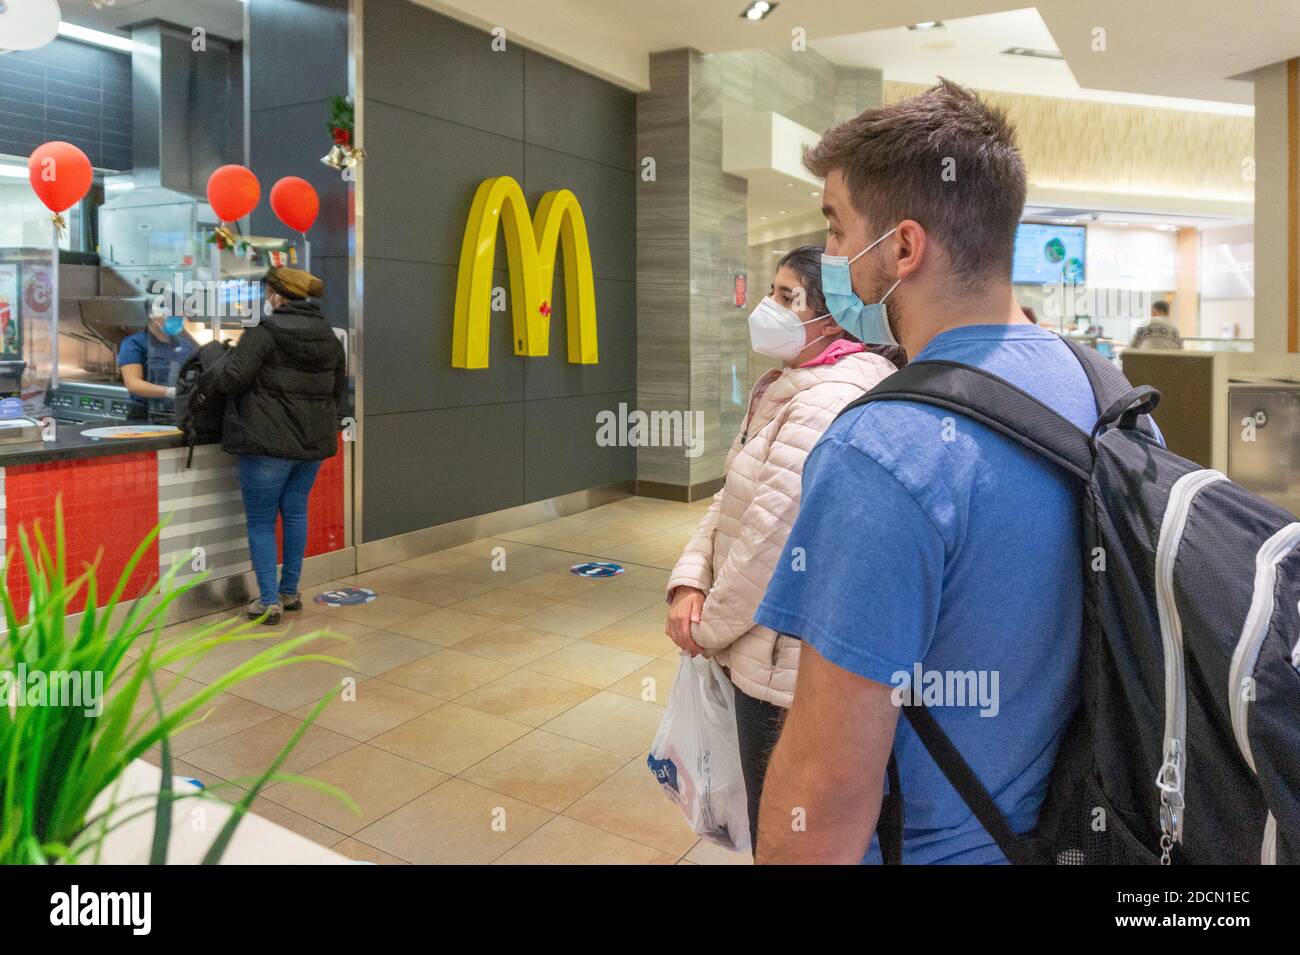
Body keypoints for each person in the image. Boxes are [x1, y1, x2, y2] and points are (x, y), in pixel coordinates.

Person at [751, 80, 1131, 863]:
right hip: (1088, 831)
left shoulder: (881, 452)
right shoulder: (1111, 394)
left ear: (902, 248)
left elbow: (826, 785)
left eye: (836, 229)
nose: (829, 259)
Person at [664, 245, 901, 852]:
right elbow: (732, 500)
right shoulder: (788, 384)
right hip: (753, 648)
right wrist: (689, 579)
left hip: (777, 667)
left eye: (786, 297)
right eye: (771, 292)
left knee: (782, 828)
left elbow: (769, 542)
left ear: (836, 318)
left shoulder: (826, 398)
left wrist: (707, 628)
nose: (767, 308)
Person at [213, 268, 347, 624]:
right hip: (312, 442)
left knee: (260, 520)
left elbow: (232, 379)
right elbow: (337, 391)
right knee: (296, 512)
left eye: (266, 292)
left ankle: (268, 601)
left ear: (276, 296)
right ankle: (290, 592)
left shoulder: (264, 334)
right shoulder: (329, 337)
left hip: (267, 442)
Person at [117, 312, 198, 421]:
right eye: (172, 316)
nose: (177, 320)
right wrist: (170, 392)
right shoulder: (134, 343)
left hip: (178, 413)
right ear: (154, 316)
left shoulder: (184, 344)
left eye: (180, 316)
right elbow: (133, 384)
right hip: (146, 414)